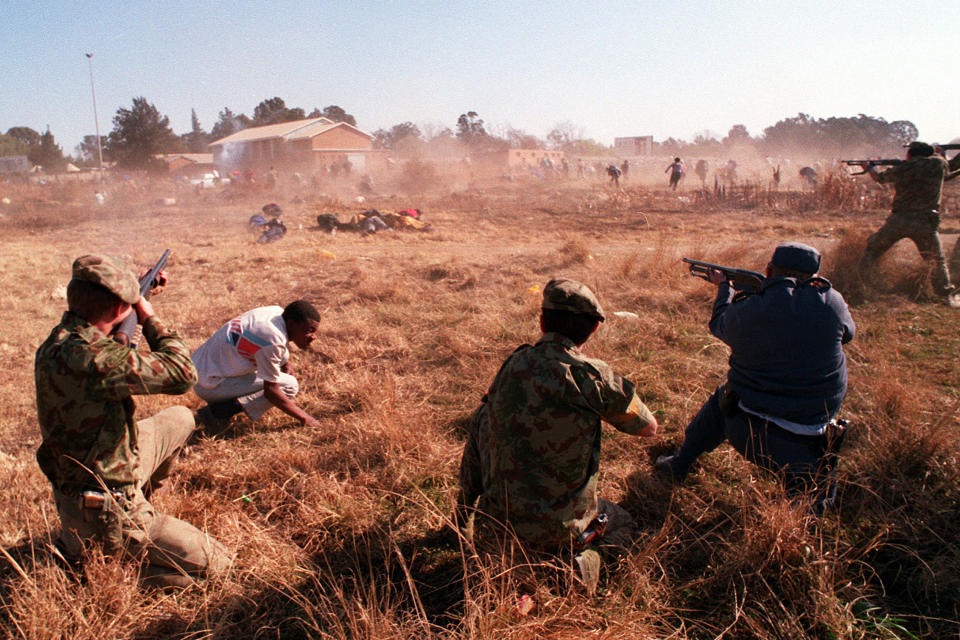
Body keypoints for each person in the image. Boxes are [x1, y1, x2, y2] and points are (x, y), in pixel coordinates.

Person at [35, 255, 231, 587]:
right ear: (116, 310)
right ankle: (101, 570)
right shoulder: (98, 360)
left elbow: (110, 338)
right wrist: (147, 314)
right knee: (219, 567)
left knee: (181, 418)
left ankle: (120, 527)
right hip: (106, 506)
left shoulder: (64, 338)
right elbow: (183, 374)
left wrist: (139, 294)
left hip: (90, 475)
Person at [458, 278, 658, 591]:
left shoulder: (513, 363)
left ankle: (469, 527)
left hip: (500, 522)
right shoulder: (594, 377)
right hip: (563, 531)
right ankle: (578, 569)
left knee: (481, 416)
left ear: (541, 322)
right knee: (619, 521)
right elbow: (649, 428)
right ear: (593, 330)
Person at [656, 243, 855, 513]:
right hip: (806, 445)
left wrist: (725, 288)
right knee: (815, 504)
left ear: (769, 270)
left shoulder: (751, 308)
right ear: (815, 275)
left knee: (722, 397)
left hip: (744, 427)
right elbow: (848, 334)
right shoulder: (833, 302)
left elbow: (719, 324)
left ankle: (679, 464)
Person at [192, 300, 322, 432]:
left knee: (280, 375)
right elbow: (271, 391)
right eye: (309, 331)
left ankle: (221, 406)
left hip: (197, 370)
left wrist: (284, 363)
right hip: (208, 384)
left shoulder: (276, 313)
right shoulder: (272, 340)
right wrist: (306, 418)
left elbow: (270, 342)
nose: (313, 337)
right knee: (289, 385)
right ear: (291, 324)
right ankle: (217, 413)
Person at [856, 141, 956, 303]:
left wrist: (868, 167)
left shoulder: (903, 168)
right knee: (936, 260)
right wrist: (940, 152)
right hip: (925, 222)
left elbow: (879, 178)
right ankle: (945, 296)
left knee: (872, 250)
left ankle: (861, 284)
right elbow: (948, 165)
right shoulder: (937, 164)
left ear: (910, 154)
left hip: (899, 220)